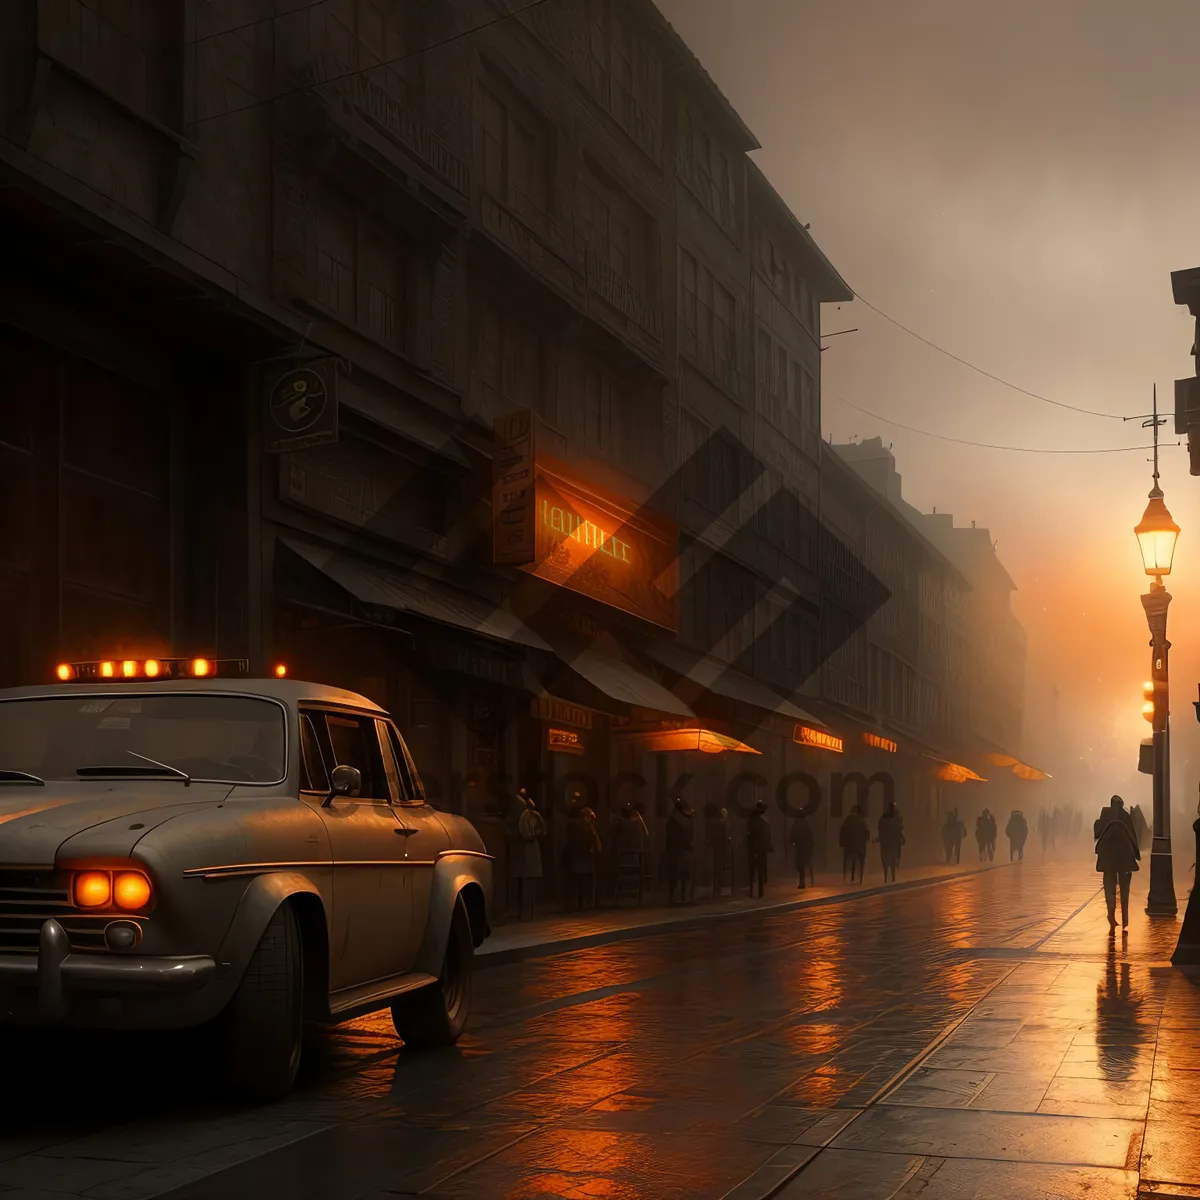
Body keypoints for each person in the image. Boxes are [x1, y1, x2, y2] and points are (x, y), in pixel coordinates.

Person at [1094, 795, 1140, 931]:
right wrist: (1136, 856)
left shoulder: (1105, 815)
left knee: (1110, 891)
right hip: (1124, 861)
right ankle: (1125, 919)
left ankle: (1111, 915)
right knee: (1124, 891)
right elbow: (1133, 837)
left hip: (1108, 862)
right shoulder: (1126, 817)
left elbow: (1097, 835)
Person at [507, 787, 546, 920]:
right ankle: (525, 912)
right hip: (525, 852)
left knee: (527, 882)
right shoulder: (523, 815)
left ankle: (527, 911)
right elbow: (530, 832)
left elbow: (540, 830)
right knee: (526, 883)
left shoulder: (530, 815)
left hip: (527, 852)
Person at [665, 797, 696, 904]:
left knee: (675, 876)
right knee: (685, 874)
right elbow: (688, 836)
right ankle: (684, 897)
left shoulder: (672, 819)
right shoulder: (683, 821)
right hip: (682, 851)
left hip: (674, 851)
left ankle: (674, 898)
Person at [746, 799, 773, 898]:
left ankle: (751, 892)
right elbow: (768, 836)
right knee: (761, 870)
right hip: (761, 848)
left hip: (753, 848)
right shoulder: (764, 822)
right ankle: (760, 892)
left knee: (752, 871)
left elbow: (748, 835)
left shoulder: (751, 821)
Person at [840, 804, 870, 882]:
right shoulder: (862, 821)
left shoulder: (847, 820)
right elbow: (867, 833)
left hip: (849, 846)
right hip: (860, 847)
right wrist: (867, 839)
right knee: (861, 859)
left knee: (846, 859)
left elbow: (842, 832)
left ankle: (845, 876)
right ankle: (860, 877)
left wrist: (842, 843)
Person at [708, 806, 733, 896]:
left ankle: (716, 887)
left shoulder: (716, 823)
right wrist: (729, 841)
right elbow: (726, 835)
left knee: (717, 867)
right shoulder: (725, 823)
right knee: (723, 867)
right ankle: (721, 887)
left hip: (717, 847)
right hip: (723, 847)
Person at [877, 801, 904, 883]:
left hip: (886, 839)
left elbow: (880, 828)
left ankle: (887, 876)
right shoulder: (895, 817)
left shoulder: (884, 817)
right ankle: (894, 871)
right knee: (896, 851)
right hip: (893, 839)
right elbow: (899, 828)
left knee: (884, 855)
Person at [790, 809, 815, 889]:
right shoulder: (807, 824)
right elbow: (811, 836)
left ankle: (802, 881)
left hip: (799, 847)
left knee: (799, 864)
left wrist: (792, 842)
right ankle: (810, 879)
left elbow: (792, 835)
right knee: (807, 862)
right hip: (807, 847)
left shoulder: (796, 824)